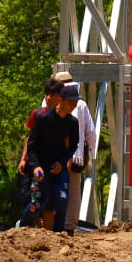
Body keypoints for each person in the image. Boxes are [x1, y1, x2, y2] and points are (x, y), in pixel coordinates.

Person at [25, 84, 80, 231]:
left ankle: (57, 235)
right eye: (70, 103)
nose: (73, 107)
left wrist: (62, 163)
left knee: (61, 199)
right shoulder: (43, 119)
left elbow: (74, 145)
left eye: (75, 104)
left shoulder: (73, 123)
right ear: (61, 100)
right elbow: (32, 145)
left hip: (59, 167)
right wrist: (35, 165)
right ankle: (22, 226)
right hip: (41, 167)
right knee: (36, 203)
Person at [54, 72, 97, 235]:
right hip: (75, 156)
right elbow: (91, 132)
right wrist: (89, 152)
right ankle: (69, 226)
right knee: (73, 191)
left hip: (55, 155)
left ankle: (53, 224)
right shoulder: (80, 104)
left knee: (54, 189)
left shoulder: (52, 101)